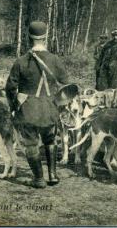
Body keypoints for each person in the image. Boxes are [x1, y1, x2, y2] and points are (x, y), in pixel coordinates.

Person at [5, 21, 69, 188]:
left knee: (31, 143)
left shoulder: (21, 61)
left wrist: (14, 106)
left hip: (28, 110)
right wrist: (58, 106)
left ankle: (39, 179)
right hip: (49, 109)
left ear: (28, 38)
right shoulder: (55, 60)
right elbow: (66, 85)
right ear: (45, 38)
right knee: (50, 140)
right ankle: (53, 175)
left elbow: (10, 87)